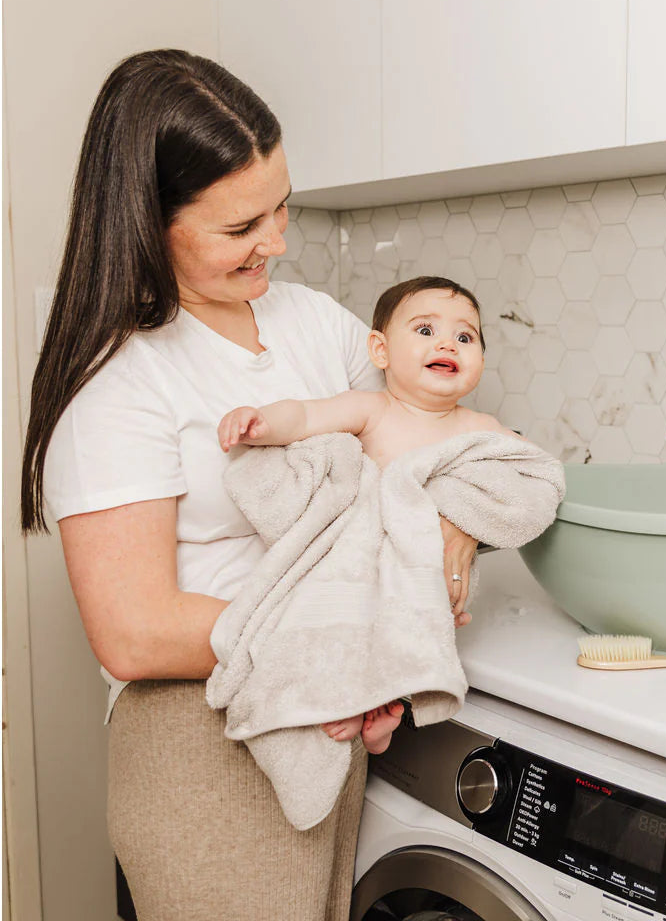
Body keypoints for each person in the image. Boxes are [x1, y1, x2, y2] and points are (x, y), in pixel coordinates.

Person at [19, 50, 481, 921]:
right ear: (147, 222)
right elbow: (134, 632)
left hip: (325, 715)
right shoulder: (118, 377)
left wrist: (454, 522)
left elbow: (422, 435)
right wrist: (344, 644)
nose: (276, 241)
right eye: (240, 229)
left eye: (281, 208)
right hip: (202, 737)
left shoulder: (315, 324)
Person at [216, 275, 518, 756]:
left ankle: (386, 707)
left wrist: (474, 513)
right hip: (366, 565)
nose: (447, 343)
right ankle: (359, 704)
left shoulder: (481, 429)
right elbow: (306, 417)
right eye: (425, 330)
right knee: (347, 617)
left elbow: (520, 479)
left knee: (412, 634)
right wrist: (263, 423)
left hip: (433, 575)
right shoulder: (372, 410)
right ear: (379, 350)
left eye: (466, 337)